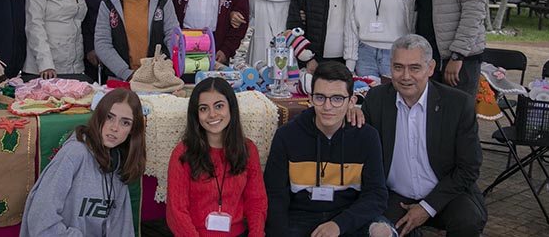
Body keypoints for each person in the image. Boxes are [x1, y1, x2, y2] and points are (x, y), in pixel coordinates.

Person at [361, 34, 486, 237]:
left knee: (468, 221)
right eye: (398, 67)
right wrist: (349, 113)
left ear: (430, 68)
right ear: (390, 66)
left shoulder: (457, 104)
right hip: (395, 196)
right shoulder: (375, 100)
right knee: (377, 230)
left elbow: (469, 167)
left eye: (415, 68)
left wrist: (427, 207)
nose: (405, 76)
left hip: (446, 193)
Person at [264, 61, 393, 237]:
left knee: (382, 232)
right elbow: (275, 195)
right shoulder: (287, 135)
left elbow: (376, 195)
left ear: (351, 102)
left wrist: (339, 225)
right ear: (310, 98)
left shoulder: (367, 137)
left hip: (347, 216)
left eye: (337, 99)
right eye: (320, 97)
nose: (327, 106)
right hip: (300, 217)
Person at [20, 87, 146, 236]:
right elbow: (41, 221)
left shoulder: (118, 165)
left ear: (132, 130)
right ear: (99, 116)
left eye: (125, 123)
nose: (114, 128)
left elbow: (122, 230)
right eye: (109, 117)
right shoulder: (75, 154)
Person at [166, 77, 267, 237]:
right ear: (196, 114)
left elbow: (256, 202)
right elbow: (177, 211)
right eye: (204, 108)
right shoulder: (182, 153)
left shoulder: (248, 150)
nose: (212, 114)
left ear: (231, 108)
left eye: (219, 106)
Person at [94, 0, 179, 81]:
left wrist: (163, 67)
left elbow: (172, 36)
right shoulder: (109, 2)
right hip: (120, 78)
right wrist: (126, 73)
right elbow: (102, 43)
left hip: (157, 76)